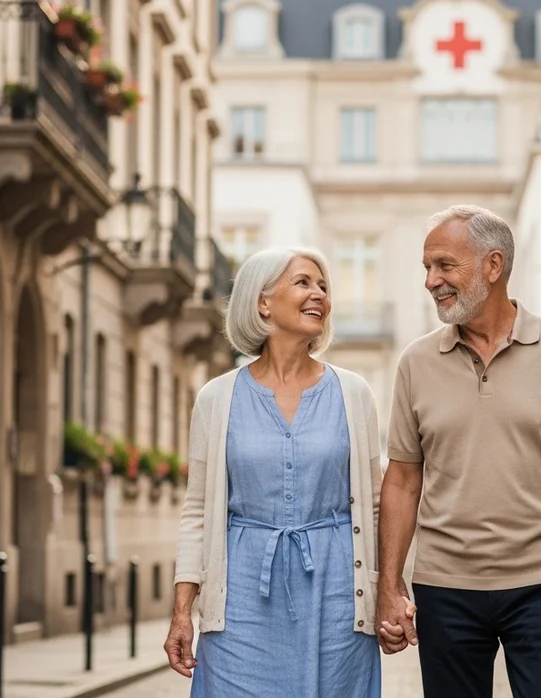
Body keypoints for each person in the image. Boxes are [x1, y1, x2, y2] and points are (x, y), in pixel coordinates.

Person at [376, 205, 541, 697]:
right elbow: (402, 480)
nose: (431, 281)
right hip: (446, 585)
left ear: (493, 266)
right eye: (427, 268)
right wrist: (389, 584)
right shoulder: (416, 362)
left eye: (445, 265)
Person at [163, 246, 387, 698]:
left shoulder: (354, 393)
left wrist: (389, 593)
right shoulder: (216, 398)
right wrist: (182, 609)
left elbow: (379, 505)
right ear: (262, 302)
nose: (319, 294)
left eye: (323, 286)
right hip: (241, 598)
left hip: (337, 597)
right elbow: (197, 511)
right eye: (303, 282)